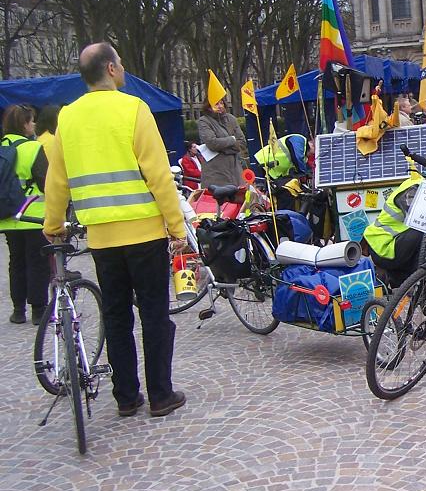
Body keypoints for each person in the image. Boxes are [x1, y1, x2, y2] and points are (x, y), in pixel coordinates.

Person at [44, 42, 187, 417]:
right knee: (154, 314)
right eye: (120, 63)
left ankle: (126, 397)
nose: (122, 68)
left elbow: (57, 180)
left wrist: (53, 224)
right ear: (110, 69)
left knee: (117, 316)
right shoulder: (133, 109)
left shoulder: (68, 118)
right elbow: (159, 176)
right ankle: (161, 395)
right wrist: (176, 227)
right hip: (144, 235)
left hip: (102, 241)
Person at [364, 153, 426, 286]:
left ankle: (404, 283)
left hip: (396, 244)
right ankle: (417, 281)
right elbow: (417, 214)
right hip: (383, 246)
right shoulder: (415, 187)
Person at [0, 105, 49, 325]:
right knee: (37, 262)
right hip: (33, 214)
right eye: (31, 121)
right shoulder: (32, 148)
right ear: (24, 125)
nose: (34, 125)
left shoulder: (2, 147)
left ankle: (18, 310)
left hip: (9, 217)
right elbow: (45, 182)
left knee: (16, 262)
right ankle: (39, 309)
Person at [198, 95, 248, 189]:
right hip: (215, 173)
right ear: (208, 106)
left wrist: (224, 149)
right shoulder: (204, 121)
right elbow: (212, 143)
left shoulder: (231, 119)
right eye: (216, 104)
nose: (220, 106)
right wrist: (232, 140)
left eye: (221, 103)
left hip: (235, 171)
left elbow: (242, 142)